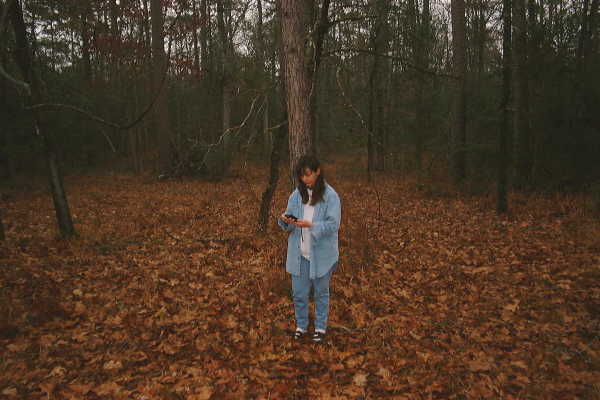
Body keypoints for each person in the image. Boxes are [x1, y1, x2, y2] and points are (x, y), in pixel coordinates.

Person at [278, 155, 341, 342]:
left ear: (317, 172)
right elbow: (289, 226)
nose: (305, 179)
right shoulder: (296, 195)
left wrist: (310, 225)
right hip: (299, 254)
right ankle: (301, 325)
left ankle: (320, 328)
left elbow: (333, 224)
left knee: (321, 293)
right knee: (299, 293)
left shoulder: (331, 196)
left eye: (308, 174)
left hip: (322, 255)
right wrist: (285, 220)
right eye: (302, 175)